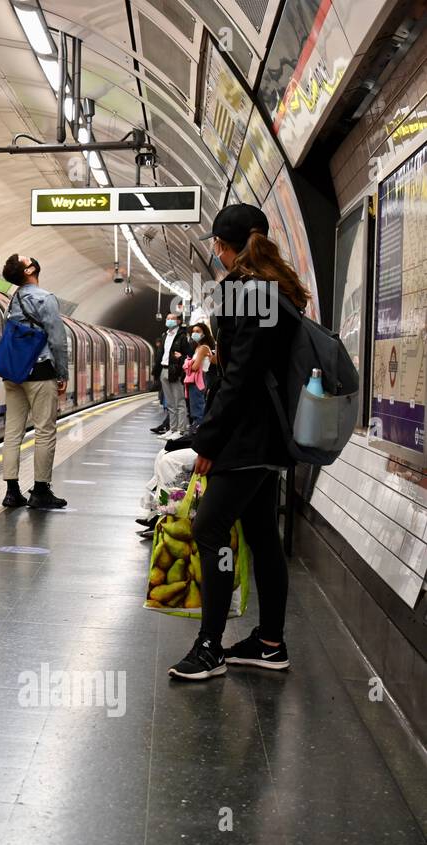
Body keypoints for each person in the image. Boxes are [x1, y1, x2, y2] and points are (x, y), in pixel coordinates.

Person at [168, 204, 303, 680]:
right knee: (263, 533)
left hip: (247, 438)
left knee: (209, 529)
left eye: (219, 250)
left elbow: (238, 376)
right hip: (274, 437)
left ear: (225, 248)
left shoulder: (244, 291)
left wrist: (209, 441)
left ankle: (210, 648)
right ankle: (269, 643)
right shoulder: (282, 288)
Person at [0, 253, 68, 509]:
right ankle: (40, 491)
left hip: (14, 372)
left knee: (12, 432)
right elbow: (58, 340)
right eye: (27, 258)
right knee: (44, 430)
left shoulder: (13, 298)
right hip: (40, 371)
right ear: (30, 270)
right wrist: (62, 373)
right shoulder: (45, 298)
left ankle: (11, 491)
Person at [156, 311, 191, 437]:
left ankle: (181, 430)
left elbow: (189, 355)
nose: (169, 320)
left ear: (179, 321)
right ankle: (172, 428)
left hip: (175, 371)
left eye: (172, 318)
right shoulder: (165, 335)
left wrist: (181, 358)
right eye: (168, 318)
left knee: (179, 402)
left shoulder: (182, 336)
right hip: (164, 369)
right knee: (170, 402)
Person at [182, 321, 216, 430]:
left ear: (204, 334)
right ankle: (197, 427)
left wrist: (187, 364)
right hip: (197, 378)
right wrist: (190, 364)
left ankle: (198, 429)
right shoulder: (199, 347)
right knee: (195, 404)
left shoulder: (202, 348)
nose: (194, 334)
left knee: (197, 405)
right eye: (193, 332)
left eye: (198, 331)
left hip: (199, 379)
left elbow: (195, 367)